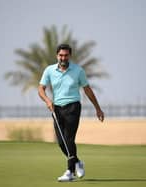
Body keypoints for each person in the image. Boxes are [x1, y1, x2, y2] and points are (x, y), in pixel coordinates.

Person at [38, 44, 104, 182]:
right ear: (57, 56)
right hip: (57, 108)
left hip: (73, 107)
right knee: (61, 142)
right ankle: (77, 162)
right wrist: (48, 101)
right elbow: (41, 89)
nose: (63, 58)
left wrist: (97, 108)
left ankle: (70, 172)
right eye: (61, 55)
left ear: (70, 56)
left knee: (69, 139)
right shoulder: (49, 70)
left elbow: (87, 89)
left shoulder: (78, 70)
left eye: (66, 55)